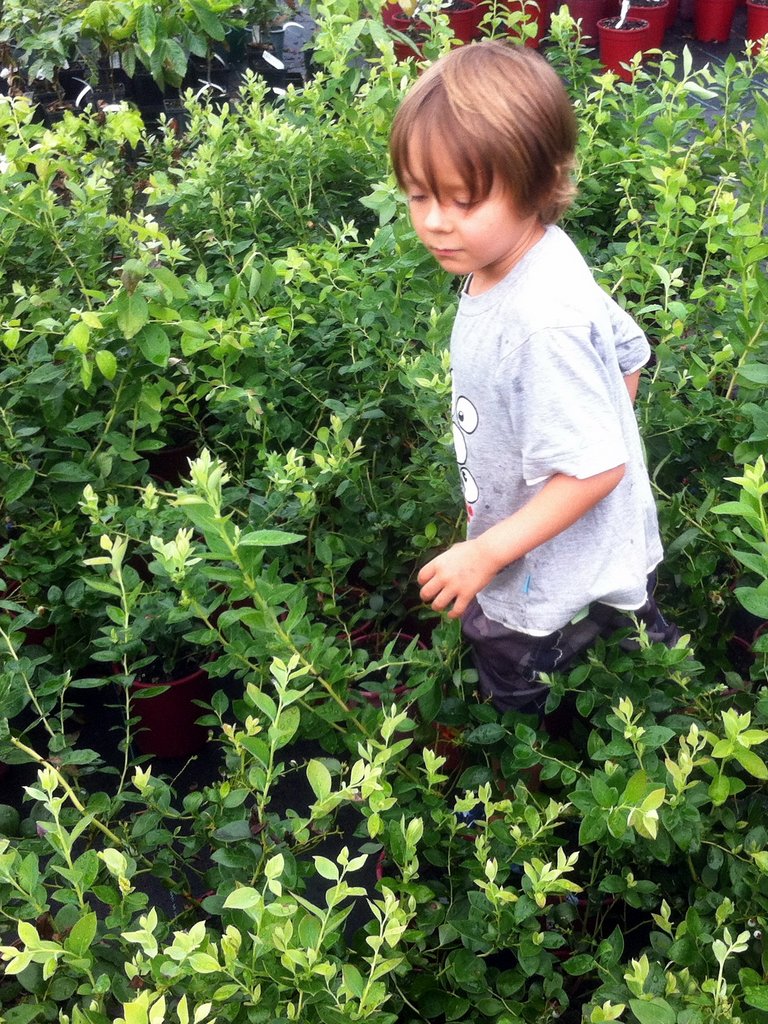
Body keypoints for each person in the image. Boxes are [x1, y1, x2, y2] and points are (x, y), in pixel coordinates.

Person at [389, 40, 678, 717]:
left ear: (537, 185)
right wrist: (588, 430)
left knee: (515, 675)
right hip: (588, 550)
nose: (434, 221)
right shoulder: (530, 257)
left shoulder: (540, 324)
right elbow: (628, 354)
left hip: (535, 579)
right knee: (629, 637)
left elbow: (594, 469)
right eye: (419, 195)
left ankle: (526, 787)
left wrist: (488, 550)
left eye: (462, 200)